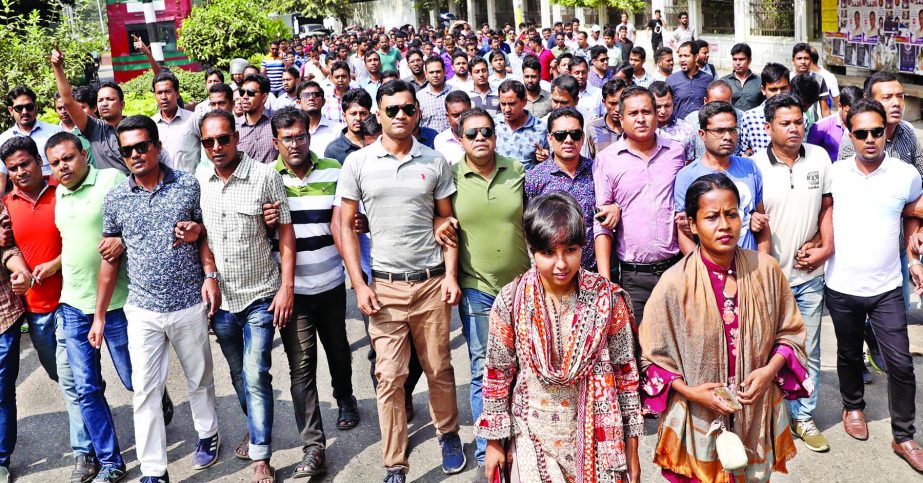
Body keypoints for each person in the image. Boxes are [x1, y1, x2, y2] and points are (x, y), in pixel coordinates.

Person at [639, 173, 810, 482]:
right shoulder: (674, 283)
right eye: (711, 217)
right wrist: (691, 392)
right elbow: (652, 358)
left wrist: (769, 371)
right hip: (699, 416)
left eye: (731, 214)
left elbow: (791, 333)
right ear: (692, 224)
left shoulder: (766, 270)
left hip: (755, 410)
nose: (724, 225)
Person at [335, 80, 465, 483]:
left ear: (417, 113)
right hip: (385, 287)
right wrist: (359, 284)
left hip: (430, 283)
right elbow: (344, 225)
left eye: (407, 109)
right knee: (390, 376)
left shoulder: (435, 160)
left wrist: (451, 273)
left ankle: (448, 433)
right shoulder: (358, 163)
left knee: (439, 367)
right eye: (391, 110)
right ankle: (395, 460)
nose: (400, 116)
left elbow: (447, 219)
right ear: (378, 114)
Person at [476, 191, 642, 482]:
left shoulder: (607, 300)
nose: (561, 264)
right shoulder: (512, 300)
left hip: (597, 439)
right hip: (531, 435)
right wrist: (493, 443)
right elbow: (497, 374)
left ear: (583, 247)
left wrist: (632, 449)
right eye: (548, 253)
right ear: (531, 250)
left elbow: (626, 376)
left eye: (570, 250)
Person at [94, 116, 220, 482]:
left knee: (199, 378)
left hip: (188, 303)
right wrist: (100, 315)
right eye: (127, 150)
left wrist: (208, 270)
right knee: (145, 392)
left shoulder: (187, 186)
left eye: (141, 146)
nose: (135, 154)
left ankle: (208, 434)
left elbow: (205, 234)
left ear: (157, 147)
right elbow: (110, 256)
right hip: (143, 310)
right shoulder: (116, 198)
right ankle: (153, 469)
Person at [197, 109, 296, 483]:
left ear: (236, 138)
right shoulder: (200, 181)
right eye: (209, 142)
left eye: (223, 139)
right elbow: (202, 237)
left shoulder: (265, 176)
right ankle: (256, 429)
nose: (217, 147)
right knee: (239, 375)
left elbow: (286, 235)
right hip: (222, 300)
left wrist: (286, 288)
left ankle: (261, 455)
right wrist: (209, 276)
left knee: (256, 374)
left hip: (260, 295)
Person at [430, 107, 530, 475]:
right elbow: (437, 217)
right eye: (471, 134)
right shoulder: (451, 177)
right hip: (477, 288)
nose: (480, 139)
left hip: (520, 287)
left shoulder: (516, 171)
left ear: (496, 134)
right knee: (482, 368)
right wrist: (442, 222)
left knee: (521, 366)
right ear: (460, 139)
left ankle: (518, 437)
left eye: (486, 131)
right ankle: (489, 444)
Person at [828, 98, 923, 472]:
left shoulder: (905, 174)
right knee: (848, 353)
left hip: (886, 287)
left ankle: (904, 436)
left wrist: (915, 256)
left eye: (877, 132)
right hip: (842, 284)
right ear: (850, 135)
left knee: (900, 363)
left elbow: (914, 213)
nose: (870, 139)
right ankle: (853, 406)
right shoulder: (835, 174)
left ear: (887, 132)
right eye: (862, 133)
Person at [265, 107, 358, 478]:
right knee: (301, 367)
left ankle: (345, 398)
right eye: (287, 138)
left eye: (301, 136)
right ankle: (313, 446)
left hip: (332, 284)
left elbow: (346, 221)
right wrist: (265, 222)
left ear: (309, 136)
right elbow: (261, 236)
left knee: (338, 349)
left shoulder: (333, 171)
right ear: (276, 142)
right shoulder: (267, 180)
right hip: (293, 293)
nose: (296, 144)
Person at [1, 136, 92, 483]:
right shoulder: (7, 205)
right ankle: (94, 418)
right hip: (38, 310)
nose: (21, 172)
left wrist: (56, 264)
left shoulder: (63, 192)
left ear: (39, 161)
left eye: (25, 164)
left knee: (75, 382)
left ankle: (84, 452)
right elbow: (6, 248)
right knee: (62, 375)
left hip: (76, 299)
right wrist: (19, 269)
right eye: (13, 168)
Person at [751, 93, 834, 453]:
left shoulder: (819, 157)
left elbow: (828, 206)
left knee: (808, 348)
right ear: (768, 128)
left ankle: (803, 416)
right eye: (785, 123)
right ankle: (773, 417)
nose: (794, 128)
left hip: (809, 277)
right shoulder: (753, 166)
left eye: (799, 121)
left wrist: (824, 245)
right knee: (767, 351)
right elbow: (753, 219)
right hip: (769, 281)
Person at [594, 86, 686, 318]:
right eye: (633, 114)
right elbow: (602, 222)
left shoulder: (675, 153)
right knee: (637, 347)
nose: (641, 119)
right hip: (633, 278)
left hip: (674, 270)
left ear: (656, 116)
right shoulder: (608, 159)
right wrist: (606, 283)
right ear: (622, 119)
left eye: (646, 112)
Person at [674, 101, 770, 254]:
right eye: (719, 131)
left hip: (750, 267)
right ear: (702, 135)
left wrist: (762, 264)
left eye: (732, 130)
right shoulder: (687, 176)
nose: (727, 136)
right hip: (709, 270)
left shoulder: (749, 168)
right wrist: (702, 272)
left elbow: (761, 221)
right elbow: (684, 233)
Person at [525, 107, 597, 270]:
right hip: (554, 271)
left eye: (575, 134)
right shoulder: (536, 177)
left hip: (593, 270)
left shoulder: (597, 170)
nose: (568, 140)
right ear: (550, 138)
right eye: (560, 135)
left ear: (583, 137)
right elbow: (530, 226)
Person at [0, 198, 35, 483]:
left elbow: (8, 246)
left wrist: (20, 270)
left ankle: (0, 460)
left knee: (0, 392)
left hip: (3, 316)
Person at [837, 72, 923, 174]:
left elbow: (920, 171)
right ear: (868, 100)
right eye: (887, 97)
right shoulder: (856, 136)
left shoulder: (907, 132)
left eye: (900, 96)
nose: (896, 103)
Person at [0, 86, 61, 176]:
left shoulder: (55, 132)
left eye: (29, 107)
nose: (24, 112)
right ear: (11, 110)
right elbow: (1, 176)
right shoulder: (3, 139)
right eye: (19, 108)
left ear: (35, 107)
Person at [150, 71, 200, 173]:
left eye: (168, 92)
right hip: (163, 185)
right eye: (159, 93)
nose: (163, 97)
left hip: (190, 182)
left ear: (177, 94)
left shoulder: (193, 119)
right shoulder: (151, 124)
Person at [738, 63, 792, 156]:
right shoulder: (750, 118)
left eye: (783, 88)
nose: (779, 94)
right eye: (773, 89)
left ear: (789, 87)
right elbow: (745, 151)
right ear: (763, 90)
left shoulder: (800, 117)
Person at [494, 80, 546, 169]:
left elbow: (548, 161)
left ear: (524, 102)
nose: (507, 109)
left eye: (511, 104)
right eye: (503, 104)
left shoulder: (540, 128)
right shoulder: (493, 124)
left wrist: (544, 158)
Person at [807, 85, 863, 162]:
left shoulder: (865, 127)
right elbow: (810, 155)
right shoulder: (820, 127)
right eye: (848, 112)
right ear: (840, 106)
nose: (853, 116)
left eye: (857, 112)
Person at [649, 81, 696, 162]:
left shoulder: (687, 130)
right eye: (658, 107)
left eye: (667, 106)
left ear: (673, 103)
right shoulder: (642, 129)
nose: (663, 111)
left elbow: (689, 161)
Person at [236, 74, 278, 164]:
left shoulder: (278, 121)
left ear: (264, 97)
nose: (245, 97)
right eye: (242, 93)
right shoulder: (235, 126)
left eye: (250, 93)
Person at [296, 80, 344, 157]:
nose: (311, 98)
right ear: (298, 103)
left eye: (316, 94)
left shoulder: (338, 130)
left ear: (323, 102)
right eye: (306, 95)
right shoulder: (294, 131)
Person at [666, 41, 712, 121]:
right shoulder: (671, 80)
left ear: (696, 57)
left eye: (686, 56)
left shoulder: (708, 79)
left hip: (701, 127)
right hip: (679, 129)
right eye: (680, 56)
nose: (682, 60)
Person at [325, 88, 373, 163]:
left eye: (363, 113)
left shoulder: (379, 143)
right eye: (353, 114)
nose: (358, 118)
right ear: (344, 116)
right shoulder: (333, 150)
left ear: (370, 114)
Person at [584, 78, 626, 159]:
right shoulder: (593, 128)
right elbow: (590, 161)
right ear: (604, 103)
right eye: (612, 104)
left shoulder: (633, 126)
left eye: (621, 103)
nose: (617, 109)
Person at [791, 43, 831, 118]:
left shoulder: (819, 79)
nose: (803, 62)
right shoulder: (788, 79)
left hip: (813, 125)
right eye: (799, 58)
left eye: (806, 58)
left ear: (811, 60)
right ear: (793, 61)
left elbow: (825, 110)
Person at [722, 43, 764, 112]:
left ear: (749, 60)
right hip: (731, 121)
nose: (737, 63)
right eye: (735, 59)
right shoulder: (724, 82)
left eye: (741, 59)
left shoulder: (759, 82)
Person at [432, 90, 471, 164]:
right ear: (448, 117)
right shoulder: (440, 140)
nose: (461, 119)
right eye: (456, 115)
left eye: (465, 114)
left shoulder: (481, 136)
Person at [418, 56, 451, 133]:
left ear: (444, 72)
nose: (435, 75)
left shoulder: (455, 92)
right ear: (426, 74)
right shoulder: (419, 97)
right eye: (431, 72)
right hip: (427, 143)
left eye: (438, 71)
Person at [569, 57, 604, 124]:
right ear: (570, 73)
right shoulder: (567, 94)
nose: (581, 76)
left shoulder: (598, 93)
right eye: (577, 73)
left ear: (588, 71)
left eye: (583, 72)